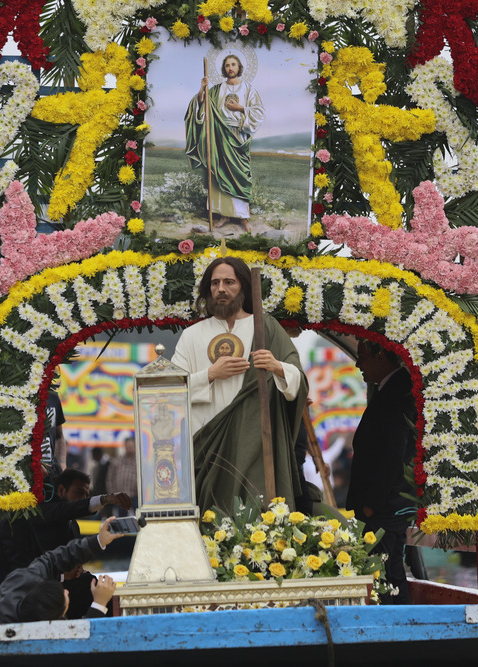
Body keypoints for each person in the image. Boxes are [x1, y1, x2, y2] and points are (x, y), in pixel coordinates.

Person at [172, 256, 308, 514]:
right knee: (213, 520)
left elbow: (298, 379)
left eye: (228, 282)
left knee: (256, 516)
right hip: (208, 446)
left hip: (255, 445)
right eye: (214, 283)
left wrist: (276, 366)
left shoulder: (265, 326)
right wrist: (210, 374)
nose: (220, 289)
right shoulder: (192, 335)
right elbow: (173, 388)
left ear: (243, 287)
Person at [0, 468, 131, 618]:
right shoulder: (18, 520)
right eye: (79, 492)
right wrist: (64, 577)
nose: (84, 497)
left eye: (87, 494)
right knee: (90, 590)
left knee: (90, 583)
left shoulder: (16, 516)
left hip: (42, 582)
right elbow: (28, 570)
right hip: (24, 596)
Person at [345, 339, 417, 604]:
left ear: (380, 357)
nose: (357, 363)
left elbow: (392, 456)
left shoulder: (397, 392)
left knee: (388, 575)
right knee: (386, 573)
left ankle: (401, 631)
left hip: (385, 506)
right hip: (382, 506)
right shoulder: (389, 389)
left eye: (362, 356)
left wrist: (371, 506)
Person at [0, 517, 123, 624]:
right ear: (55, 622)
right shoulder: (38, 639)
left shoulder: (21, 579)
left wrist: (99, 541)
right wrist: (99, 603)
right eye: (64, 599)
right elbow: (79, 642)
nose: (67, 591)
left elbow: (53, 559)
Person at [185, 52, 265, 231]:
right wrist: (202, 89)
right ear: (224, 69)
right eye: (227, 65)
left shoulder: (248, 89)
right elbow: (201, 104)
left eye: (233, 65)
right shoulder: (216, 89)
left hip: (239, 135)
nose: (230, 68)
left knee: (241, 176)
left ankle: (243, 217)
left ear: (239, 68)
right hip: (219, 136)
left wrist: (241, 108)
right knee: (220, 174)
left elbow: (259, 111)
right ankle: (224, 215)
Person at [105, 436, 138, 517]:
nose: (129, 448)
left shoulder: (139, 461)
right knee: (121, 519)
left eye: (131, 446)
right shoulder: (117, 461)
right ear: (125, 446)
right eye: (128, 446)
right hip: (120, 496)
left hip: (135, 495)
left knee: (138, 518)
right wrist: (112, 493)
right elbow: (109, 478)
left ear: (135, 447)